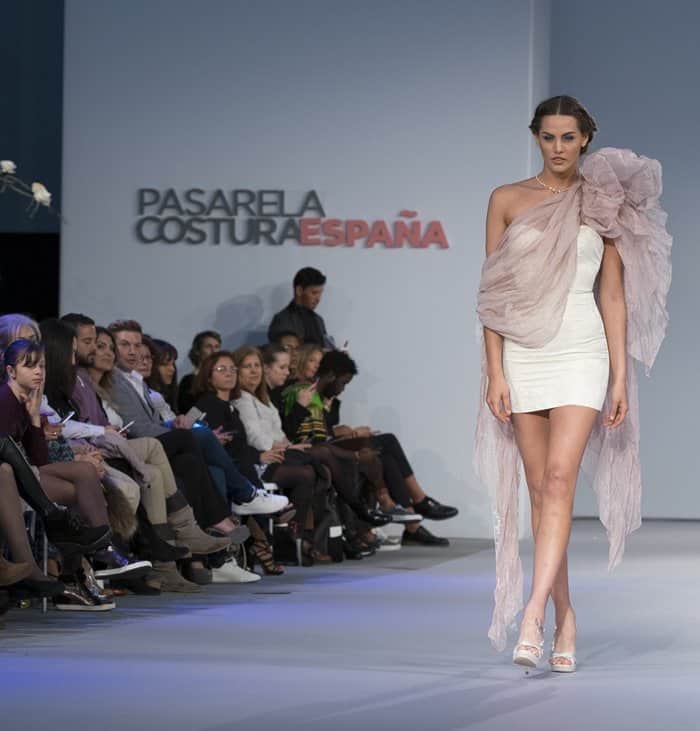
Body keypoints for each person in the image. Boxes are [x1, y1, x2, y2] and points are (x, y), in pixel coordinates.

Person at [475, 95, 672, 672]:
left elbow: (612, 293)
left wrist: (619, 375)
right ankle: (566, 614)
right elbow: (491, 295)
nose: (558, 147)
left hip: (582, 348)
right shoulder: (506, 200)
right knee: (540, 491)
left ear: (586, 138)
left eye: (569, 137)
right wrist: (494, 371)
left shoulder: (602, 202)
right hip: (523, 351)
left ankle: (532, 612)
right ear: (535, 137)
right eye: (548, 137)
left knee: (561, 477)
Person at [267, 267, 335, 347]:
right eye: (314, 293)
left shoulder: (318, 320)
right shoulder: (282, 319)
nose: (318, 299)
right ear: (299, 290)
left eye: (320, 293)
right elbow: (282, 355)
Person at [177, 330, 222, 414]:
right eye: (208, 347)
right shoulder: (188, 381)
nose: (214, 351)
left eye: (217, 347)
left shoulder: (222, 380)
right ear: (197, 351)